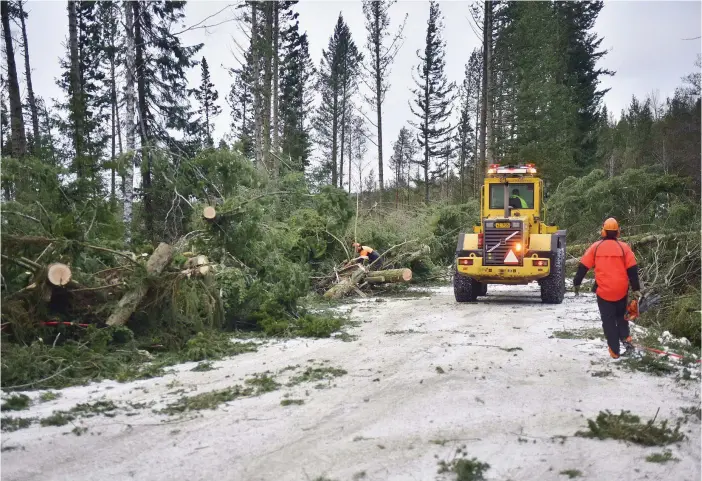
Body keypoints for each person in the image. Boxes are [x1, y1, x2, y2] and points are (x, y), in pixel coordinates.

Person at [572, 218, 641, 360]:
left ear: (603, 231)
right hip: (621, 291)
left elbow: (583, 267)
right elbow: (633, 270)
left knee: (608, 321)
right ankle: (627, 342)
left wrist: (577, 282)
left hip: (604, 292)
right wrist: (636, 289)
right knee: (622, 318)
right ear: (617, 232)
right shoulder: (624, 247)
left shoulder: (595, 247)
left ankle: (615, 351)